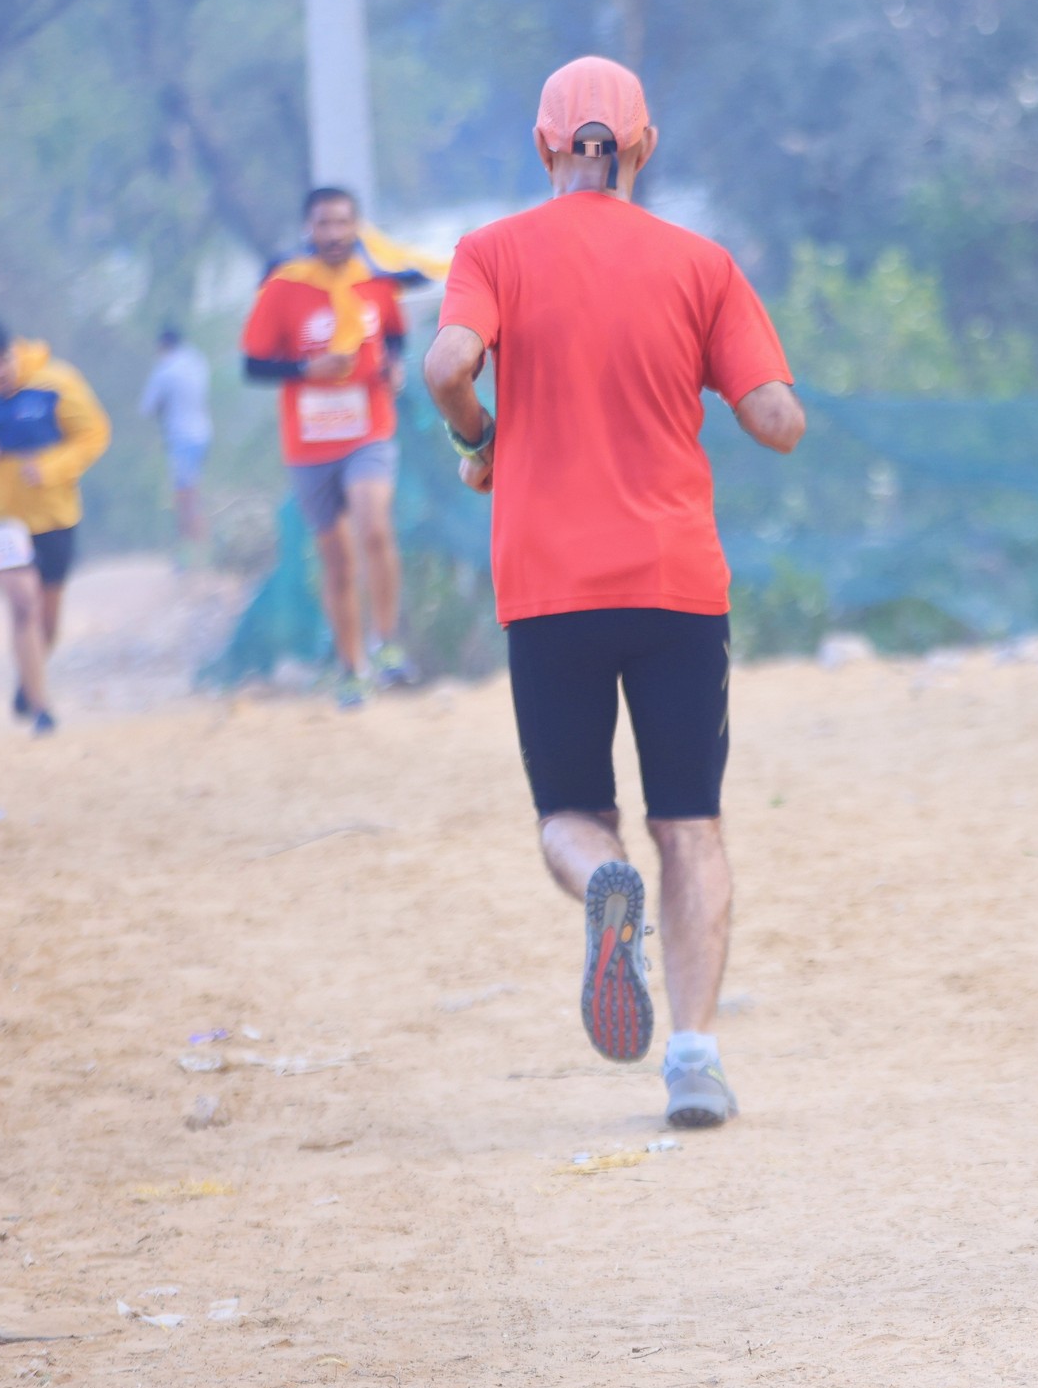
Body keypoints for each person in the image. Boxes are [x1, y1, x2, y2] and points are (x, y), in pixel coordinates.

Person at [425, 56, 804, 1130]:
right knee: (691, 824)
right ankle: (695, 1059)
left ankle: (601, 879)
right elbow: (777, 422)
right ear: (643, 147)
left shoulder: (492, 252)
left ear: (544, 146)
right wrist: (727, 379)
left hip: (548, 586)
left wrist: (480, 436)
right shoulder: (701, 263)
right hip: (676, 585)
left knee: (570, 814)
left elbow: (447, 365)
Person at [241, 186, 412, 703]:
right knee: (336, 560)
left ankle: (386, 644)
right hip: (310, 443)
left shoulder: (375, 280)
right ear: (307, 229)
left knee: (374, 527)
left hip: (368, 430)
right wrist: (306, 368)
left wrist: (394, 364)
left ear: (357, 227)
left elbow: (394, 333)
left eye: (342, 222)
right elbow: (253, 364)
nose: (334, 233)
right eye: (323, 223)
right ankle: (351, 666)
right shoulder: (284, 287)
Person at [0, 322, 111, 736]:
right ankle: (43, 709)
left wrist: (49, 468)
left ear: (15, 350)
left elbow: (94, 434)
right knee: (22, 602)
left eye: (2, 362)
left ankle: (28, 683)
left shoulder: (57, 382)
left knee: (47, 621)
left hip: (53, 516)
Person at [137, 325, 212, 555]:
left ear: (162, 346)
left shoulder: (166, 368)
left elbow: (147, 407)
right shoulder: (197, 361)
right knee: (193, 490)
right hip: (203, 432)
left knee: (184, 496)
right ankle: (198, 550)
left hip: (181, 436)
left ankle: (191, 552)